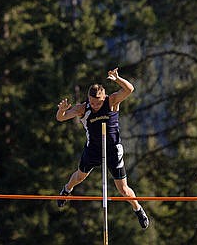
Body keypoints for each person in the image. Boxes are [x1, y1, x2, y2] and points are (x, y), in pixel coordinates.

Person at [55, 68, 149, 229]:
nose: (96, 105)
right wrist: (61, 110)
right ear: (88, 99)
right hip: (93, 150)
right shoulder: (82, 109)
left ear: (104, 97)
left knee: (124, 190)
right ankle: (66, 189)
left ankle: (138, 210)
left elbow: (130, 89)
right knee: (79, 177)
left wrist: (118, 79)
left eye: (98, 102)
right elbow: (61, 118)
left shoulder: (111, 101)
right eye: (93, 102)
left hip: (113, 150)